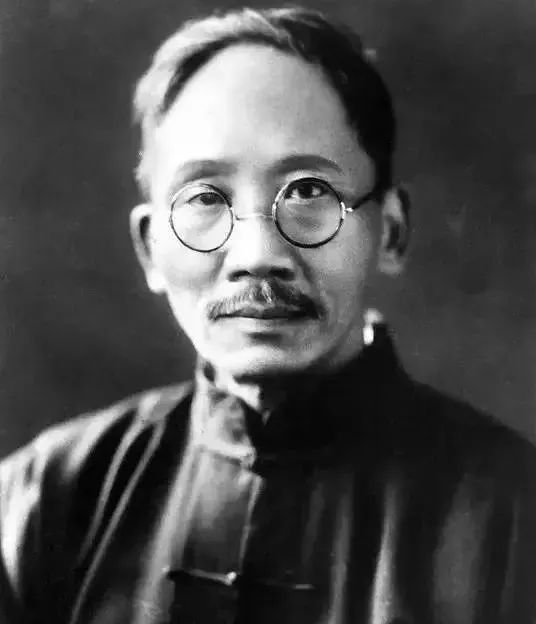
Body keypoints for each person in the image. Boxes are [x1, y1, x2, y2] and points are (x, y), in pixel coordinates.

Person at [1, 6, 535, 624]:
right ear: (149, 248)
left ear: (390, 232)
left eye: (308, 191)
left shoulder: (514, 515)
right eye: (205, 197)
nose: (257, 256)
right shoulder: (41, 502)